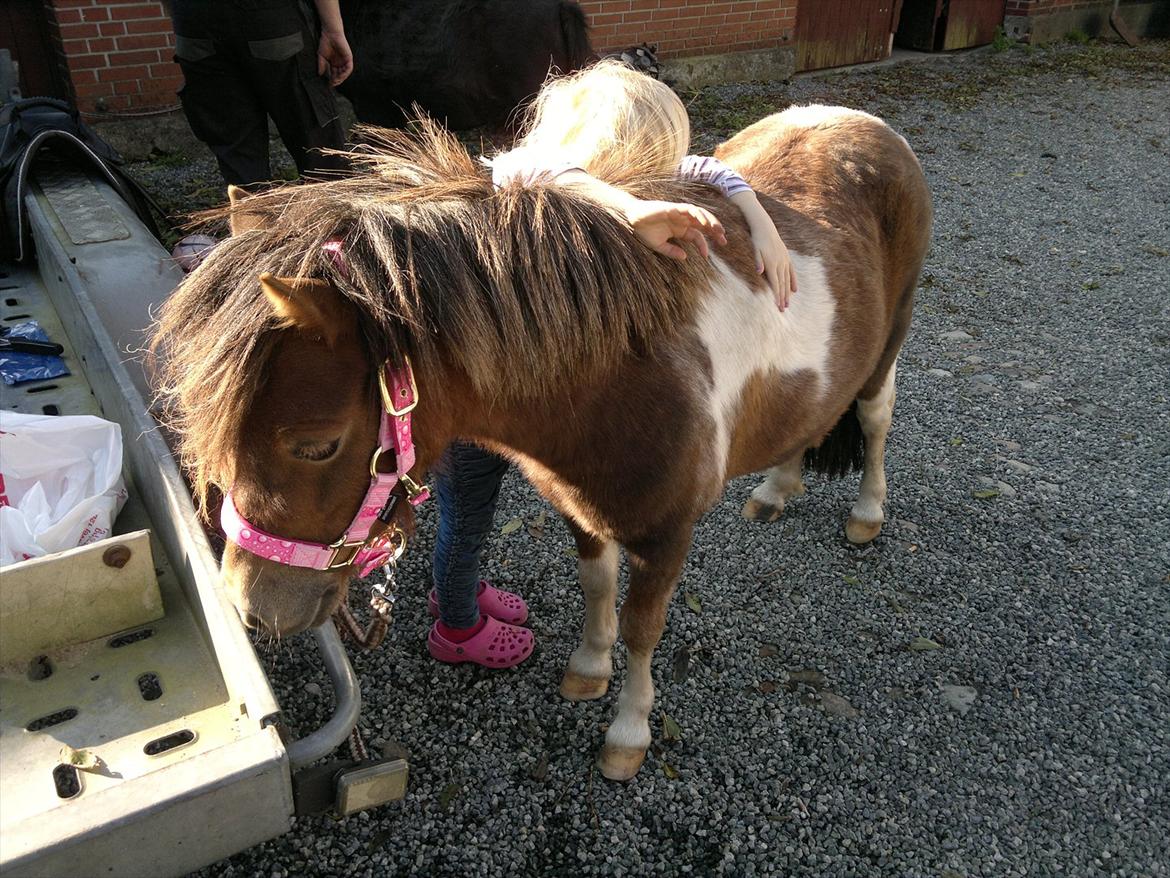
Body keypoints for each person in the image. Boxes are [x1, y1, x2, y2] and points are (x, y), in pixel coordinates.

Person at [426, 61, 797, 669]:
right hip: (478, 401)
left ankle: (458, 589)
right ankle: (456, 625)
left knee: (479, 519)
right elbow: (543, 169)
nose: (656, 180)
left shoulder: (627, 171)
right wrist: (624, 205)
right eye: (645, 162)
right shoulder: (519, 181)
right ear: (603, 153)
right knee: (466, 513)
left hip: (526, 395)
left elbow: (705, 169)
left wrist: (762, 224)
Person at [167, 0, 354, 187]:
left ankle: (251, 212)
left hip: (193, 22)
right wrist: (333, 31)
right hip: (271, 19)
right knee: (321, 155)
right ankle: (335, 210)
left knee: (241, 165)